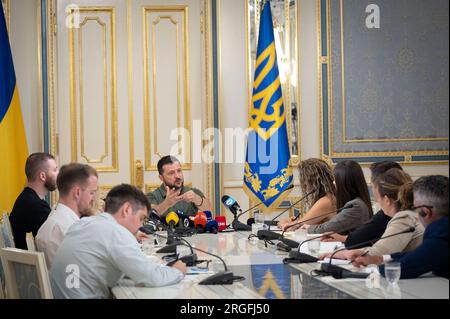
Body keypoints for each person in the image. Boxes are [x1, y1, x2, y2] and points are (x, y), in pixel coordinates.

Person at [50, 184, 186, 299]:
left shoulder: (83, 223)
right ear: (126, 210)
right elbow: (151, 277)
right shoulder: (116, 232)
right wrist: (178, 271)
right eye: (141, 218)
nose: (140, 226)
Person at [352, 175, 449, 279]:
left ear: (425, 212)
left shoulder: (441, 233)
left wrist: (369, 270)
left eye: (415, 208)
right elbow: (420, 254)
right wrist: (380, 259)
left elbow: (407, 267)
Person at [320, 168, 424, 260]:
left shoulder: (405, 218)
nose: (378, 202)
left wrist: (343, 254)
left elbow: (378, 253)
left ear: (387, 200)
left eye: (377, 197)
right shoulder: (415, 213)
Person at [322, 161, 403, 248]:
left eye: (374, 187)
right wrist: (343, 239)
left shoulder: (403, 218)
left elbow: (381, 250)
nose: (374, 193)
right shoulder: (386, 213)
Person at [35, 163, 98, 266]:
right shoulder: (65, 229)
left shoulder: (60, 221)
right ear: (77, 192)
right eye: (92, 193)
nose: (94, 198)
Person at [302, 160, 373, 234]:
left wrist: (308, 227)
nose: (333, 183)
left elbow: (325, 228)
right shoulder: (358, 202)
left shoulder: (356, 206)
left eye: (336, 180)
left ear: (345, 182)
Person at [9, 152, 59, 249]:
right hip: (29, 263)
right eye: (55, 170)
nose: (59, 173)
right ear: (43, 176)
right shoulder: (36, 207)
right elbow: (54, 246)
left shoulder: (26, 198)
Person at [277, 158, 336, 231]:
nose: (303, 184)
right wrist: (296, 222)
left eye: (304, 179)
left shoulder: (326, 201)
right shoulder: (329, 197)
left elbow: (292, 227)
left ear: (312, 181)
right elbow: (309, 223)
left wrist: (283, 223)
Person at [147, 155, 212, 217]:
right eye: (171, 173)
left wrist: (196, 199)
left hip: (190, 228)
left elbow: (208, 210)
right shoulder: (152, 196)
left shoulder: (193, 192)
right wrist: (166, 203)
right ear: (161, 178)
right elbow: (149, 214)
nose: (177, 176)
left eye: (179, 171)